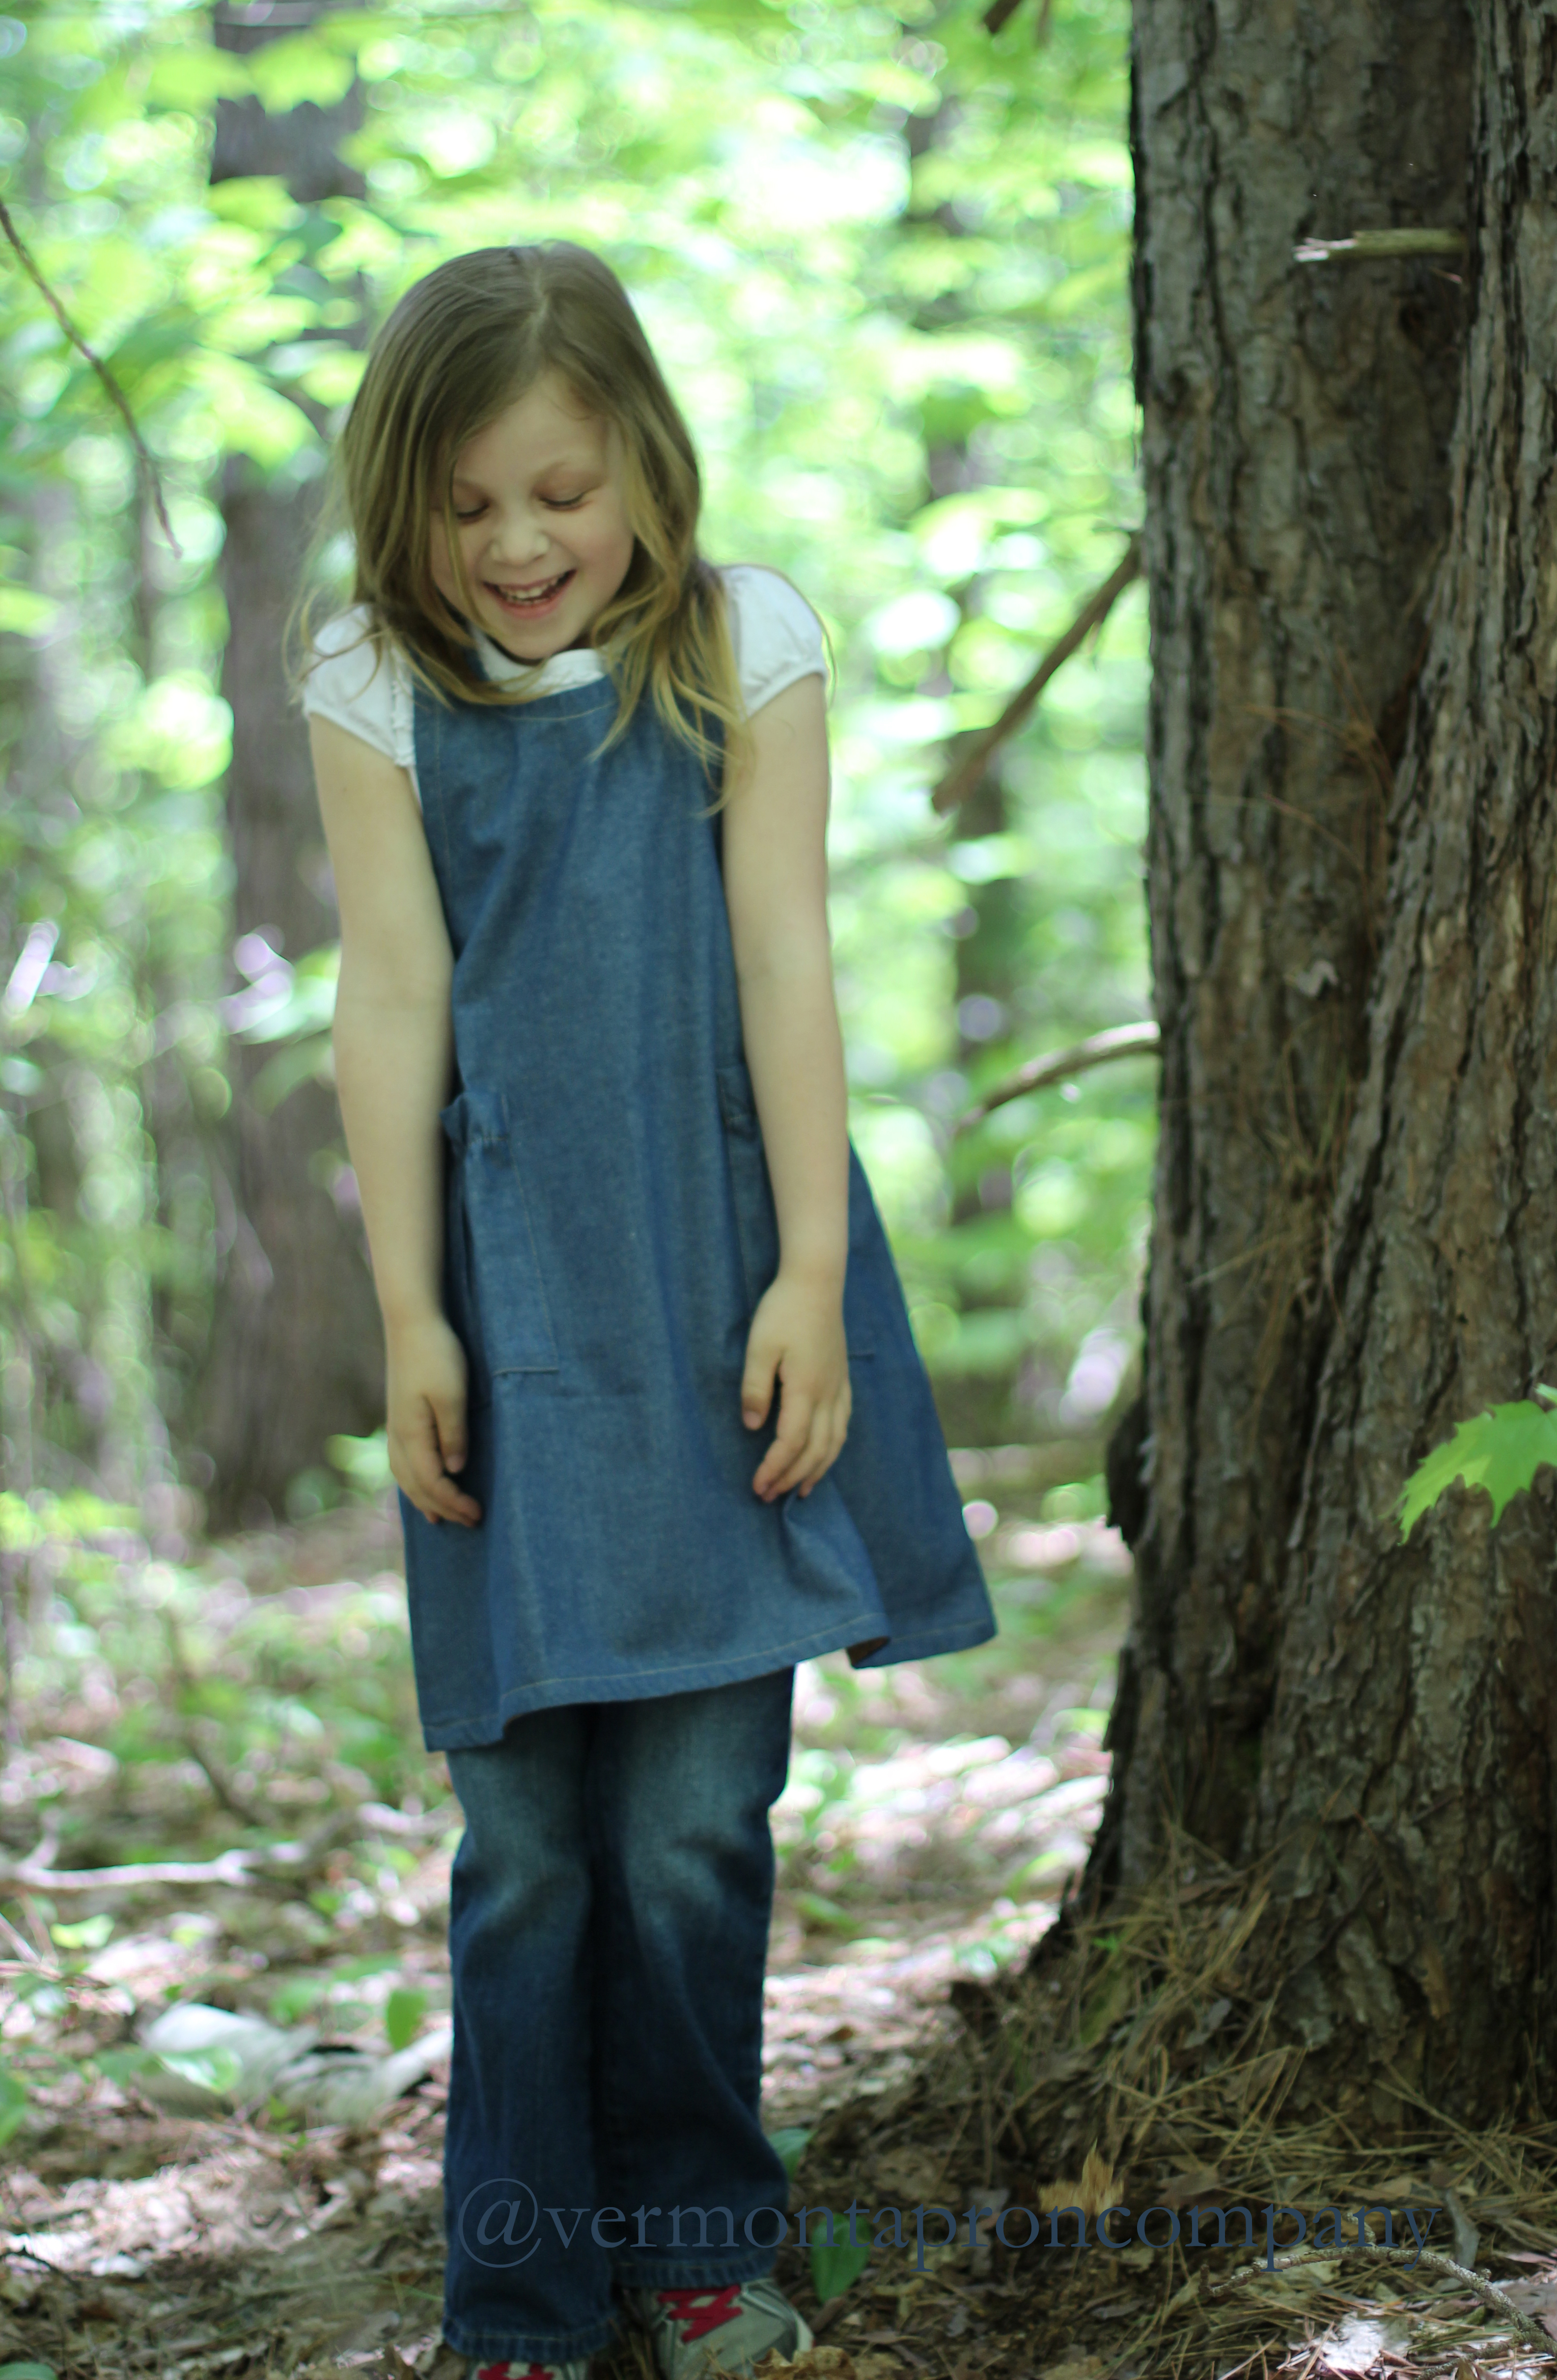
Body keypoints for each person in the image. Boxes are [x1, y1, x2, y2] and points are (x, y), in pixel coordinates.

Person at [301, 242, 996, 2380]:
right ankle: (514, 2282)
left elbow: (786, 959)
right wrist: (409, 1312)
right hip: (511, 1310)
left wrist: (806, 1268)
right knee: (521, 1842)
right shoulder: (371, 684)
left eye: (564, 492)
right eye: (471, 504)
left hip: (719, 1292)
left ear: (647, 475)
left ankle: (700, 2235)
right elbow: (393, 997)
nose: (522, 544)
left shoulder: (735, 641)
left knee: (696, 1820)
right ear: (405, 507)